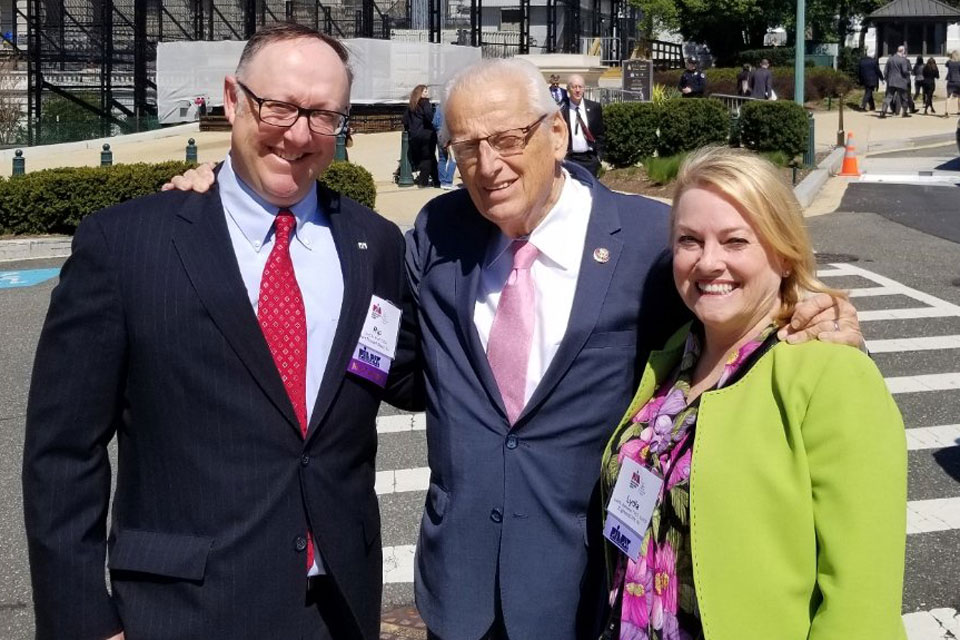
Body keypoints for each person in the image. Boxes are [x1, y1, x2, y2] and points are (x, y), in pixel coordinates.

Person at [164, 58, 865, 640]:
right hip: (457, 593)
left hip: (584, 592)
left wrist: (807, 305)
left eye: (506, 139)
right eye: (466, 146)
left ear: (557, 133)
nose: (487, 164)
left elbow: (729, 307)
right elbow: (388, 350)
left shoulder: (653, 244)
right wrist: (226, 193)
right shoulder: (439, 234)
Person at [22, 23, 422, 640]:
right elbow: (63, 453)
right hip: (179, 610)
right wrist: (83, 620)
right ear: (233, 99)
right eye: (279, 106)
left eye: (323, 115)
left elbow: (405, 371)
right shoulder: (128, 244)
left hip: (338, 605)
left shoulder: (373, 245)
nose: (298, 133)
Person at [600, 147, 907, 639]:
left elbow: (860, 600)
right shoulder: (672, 357)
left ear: (783, 253)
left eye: (735, 240)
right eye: (689, 241)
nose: (709, 262)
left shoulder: (830, 373)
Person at [563, 73, 605, 176]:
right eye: (574, 87)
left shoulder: (594, 108)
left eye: (580, 87)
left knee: (590, 191)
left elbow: (600, 134)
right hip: (570, 159)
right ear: (568, 89)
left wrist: (599, 156)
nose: (577, 90)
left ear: (584, 89)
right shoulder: (562, 110)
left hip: (590, 159)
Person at [404, 84, 440, 187]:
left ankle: (437, 181)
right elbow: (430, 116)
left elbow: (405, 120)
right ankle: (422, 182)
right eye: (425, 91)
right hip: (427, 134)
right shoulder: (425, 103)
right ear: (420, 93)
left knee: (430, 157)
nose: (427, 93)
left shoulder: (412, 105)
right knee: (427, 158)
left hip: (415, 136)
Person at [881, 45, 913, 118]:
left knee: (888, 97)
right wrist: (909, 73)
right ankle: (904, 112)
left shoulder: (890, 59)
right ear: (902, 51)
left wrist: (887, 79)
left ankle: (883, 110)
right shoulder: (903, 60)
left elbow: (885, 71)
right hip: (901, 81)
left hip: (891, 81)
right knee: (904, 98)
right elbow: (904, 71)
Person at [432, 102, 457, 189]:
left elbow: (434, 122)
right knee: (453, 158)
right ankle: (448, 181)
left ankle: (442, 181)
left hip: (439, 134)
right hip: (448, 134)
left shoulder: (438, 107)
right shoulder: (451, 107)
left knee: (442, 158)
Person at [945, 50, 960, 116]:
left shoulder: (949, 62)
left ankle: (947, 111)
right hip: (958, 81)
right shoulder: (959, 63)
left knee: (948, 97)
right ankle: (959, 110)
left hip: (950, 81)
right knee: (959, 97)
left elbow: (946, 64)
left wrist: (950, 57)